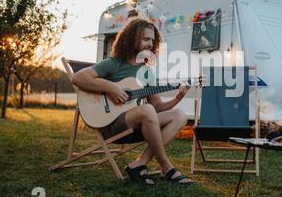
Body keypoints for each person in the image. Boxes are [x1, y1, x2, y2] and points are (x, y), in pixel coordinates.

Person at [72, 18, 192, 185]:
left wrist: (177, 98)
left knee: (179, 115)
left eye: (152, 40)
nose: (150, 44)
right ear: (131, 39)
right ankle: (166, 167)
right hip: (111, 126)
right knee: (147, 109)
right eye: (145, 39)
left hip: (138, 126)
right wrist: (111, 88)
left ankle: (140, 163)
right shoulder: (114, 64)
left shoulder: (147, 72)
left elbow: (157, 107)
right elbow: (78, 78)